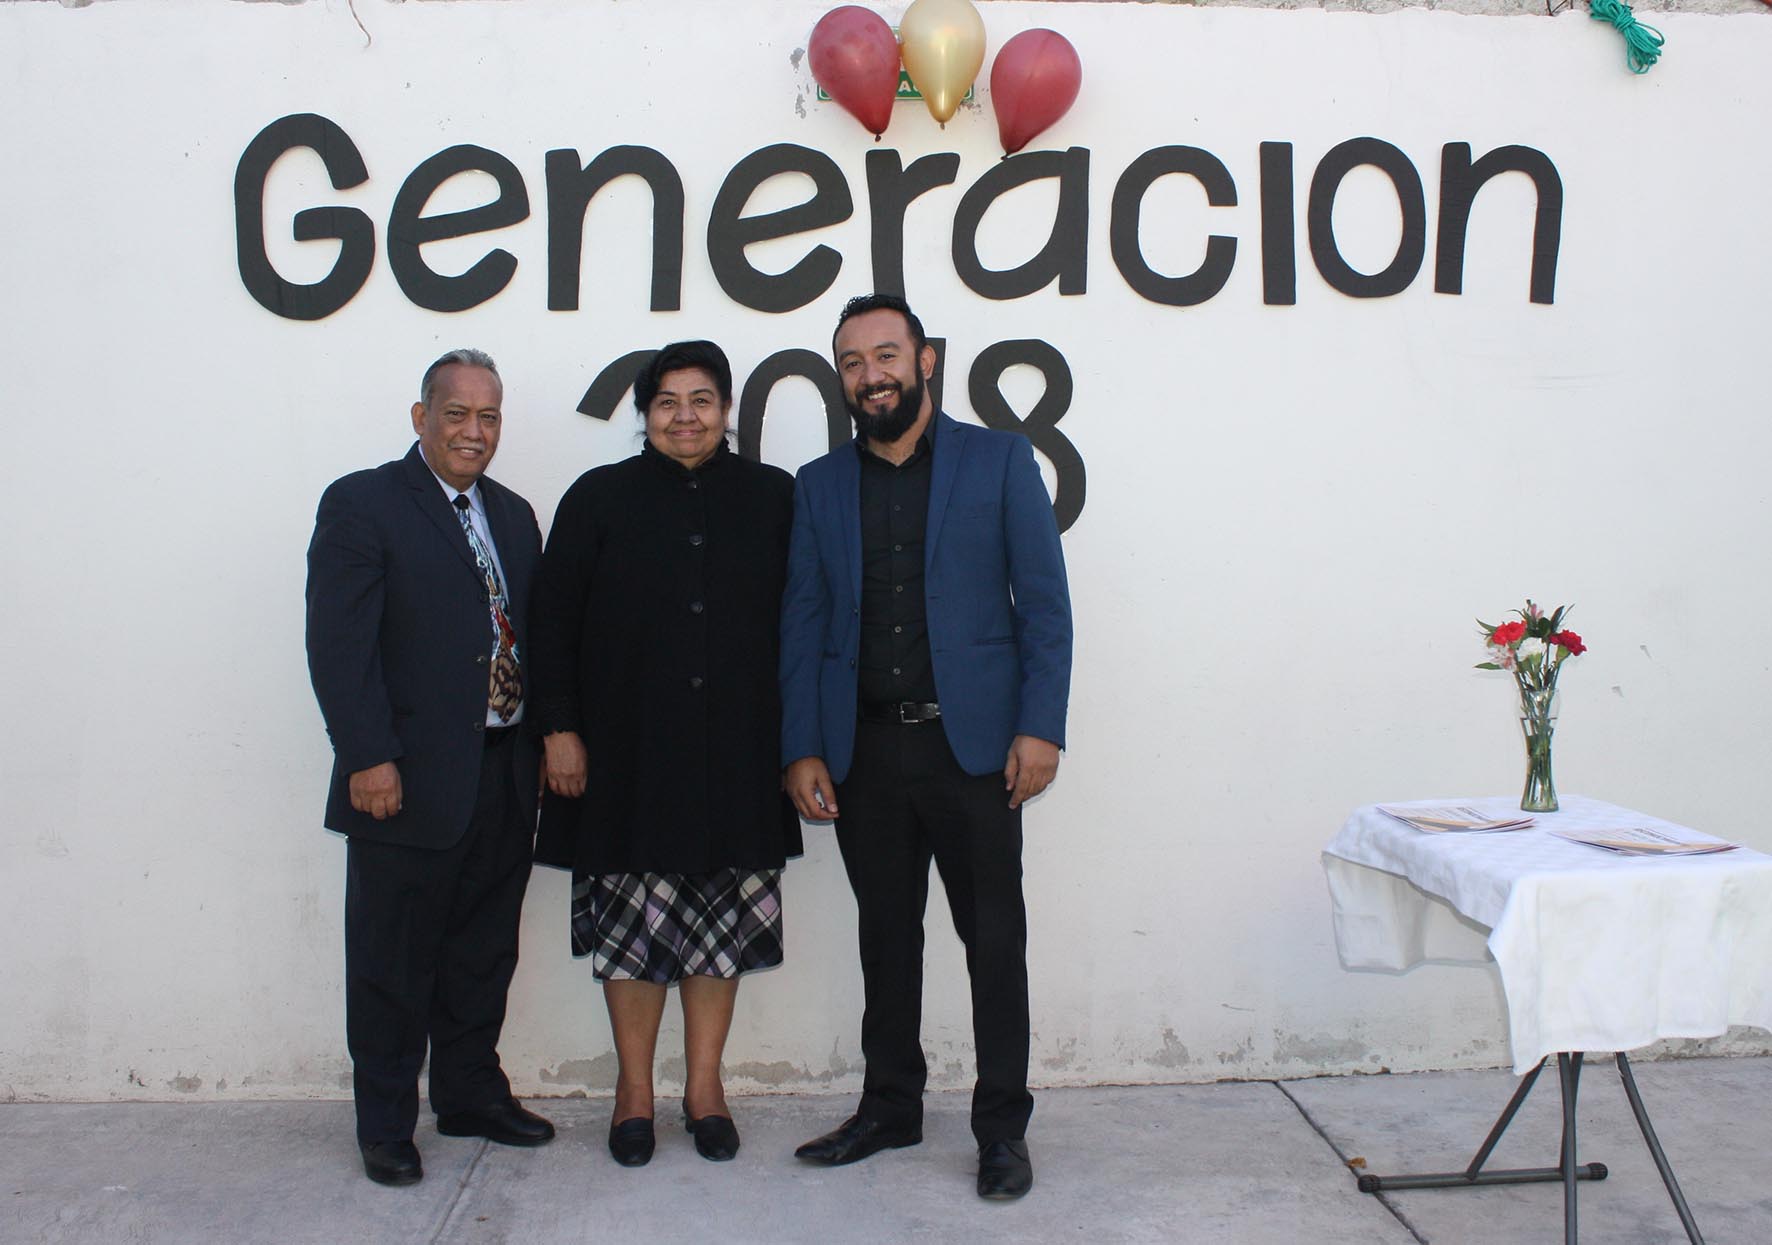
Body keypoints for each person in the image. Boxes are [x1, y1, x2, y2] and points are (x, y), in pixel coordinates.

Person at [780, 294, 1073, 1201]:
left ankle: (1002, 1129)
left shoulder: (999, 460)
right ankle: (890, 1106)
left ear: (925, 360)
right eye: (853, 362)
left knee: (995, 942)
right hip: (864, 752)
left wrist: (1040, 726)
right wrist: (802, 745)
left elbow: (1044, 604)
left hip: (974, 753)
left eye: (886, 355)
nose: (871, 375)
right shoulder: (819, 484)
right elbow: (804, 621)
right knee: (885, 939)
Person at [529, 340, 801, 1169]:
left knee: (719, 932)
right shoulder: (598, 497)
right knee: (632, 934)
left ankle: (706, 1090)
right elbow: (551, 620)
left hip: (739, 754)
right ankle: (635, 1093)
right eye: (667, 402)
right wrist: (558, 727)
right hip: (626, 755)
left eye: (702, 400)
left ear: (727, 409)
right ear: (644, 412)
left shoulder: (774, 497)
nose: (685, 416)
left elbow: (807, 623)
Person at [305, 348, 554, 1187]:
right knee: (391, 962)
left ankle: (469, 1093)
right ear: (422, 417)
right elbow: (339, 644)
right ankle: (385, 1123)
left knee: (483, 950)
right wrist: (367, 756)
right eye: (457, 414)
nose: (474, 431)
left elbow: (526, 635)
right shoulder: (364, 503)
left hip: (502, 771)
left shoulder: (512, 514)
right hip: (404, 779)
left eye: (489, 416)